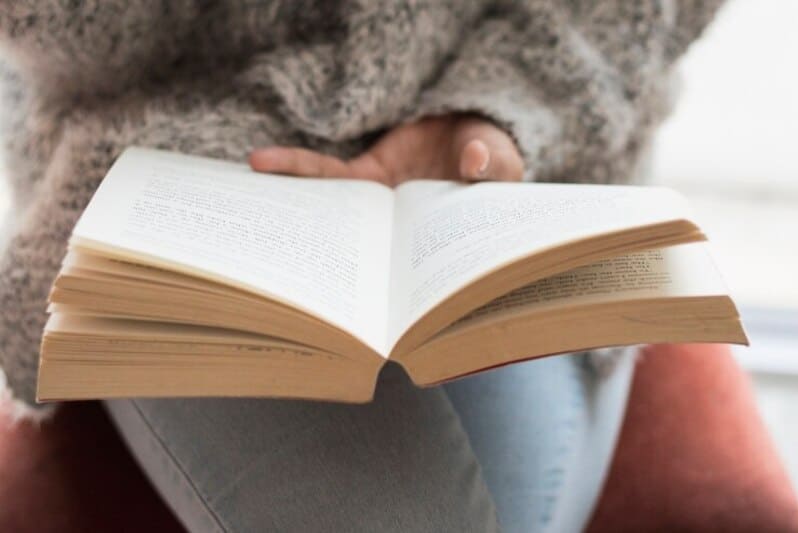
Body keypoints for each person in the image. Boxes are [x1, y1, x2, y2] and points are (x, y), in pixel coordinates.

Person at [0, 1, 725, 531]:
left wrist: (503, 105)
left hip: (520, 118)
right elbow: (85, 40)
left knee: (487, 507)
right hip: (191, 142)